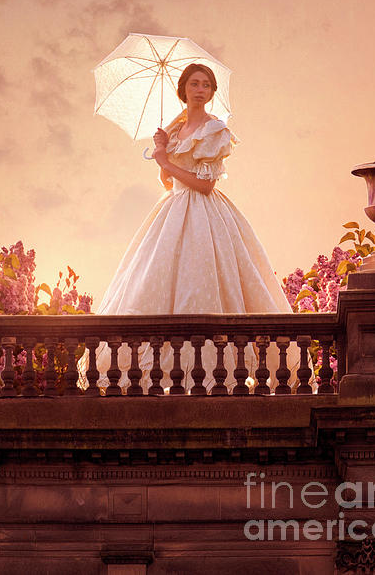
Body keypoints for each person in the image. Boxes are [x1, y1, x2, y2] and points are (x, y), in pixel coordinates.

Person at [91, 63, 297, 391]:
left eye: (206, 85)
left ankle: (213, 374)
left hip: (204, 213)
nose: (200, 90)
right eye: (194, 84)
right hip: (171, 209)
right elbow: (167, 181)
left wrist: (165, 161)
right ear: (184, 89)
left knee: (210, 283)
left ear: (212, 92)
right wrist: (162, 149)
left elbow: (205, 185)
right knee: (151, 281)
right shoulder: (174, 129)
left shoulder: (214, 129)